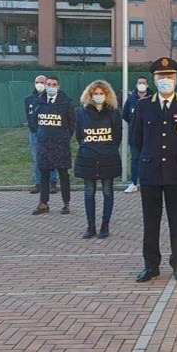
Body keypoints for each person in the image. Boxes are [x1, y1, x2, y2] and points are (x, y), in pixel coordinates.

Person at [131, 57, 177, 283]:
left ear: (176, 78)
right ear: (153, 79)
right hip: (150, 172)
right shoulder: (143, 106)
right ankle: (151, 265)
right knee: (150, 223)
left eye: (169, 76)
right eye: (161, 77)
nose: (165, 80)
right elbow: (136, 139)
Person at [74, 80, 122, 239]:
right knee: (89, 192)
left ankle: (105, 225)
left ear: (107, 95)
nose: (98, 96)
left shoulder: (114, 112)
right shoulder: (81, 112)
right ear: (90, 94)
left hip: (108, 157)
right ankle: (91, 226)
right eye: (95, 93)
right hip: (88, 157)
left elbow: (117, 137)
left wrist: (107, 148)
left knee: (108, 191)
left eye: (102, 93)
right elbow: (79, 135)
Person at [31, 76, 75, 216]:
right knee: (44, 174)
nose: (50, 86)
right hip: (44, 144)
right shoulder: (39, 101)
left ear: (58, 86)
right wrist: (41, 135)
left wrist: (64, 137)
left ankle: (66, 204)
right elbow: (34, 121)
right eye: (48, 84)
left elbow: (71, 123)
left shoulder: (66, 102)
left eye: (53, 84)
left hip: (60, 144)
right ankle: (43, 203)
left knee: (63, 174)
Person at [25, 74, 58, 194]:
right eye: (37, 82)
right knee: (36, 159)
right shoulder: (29, 99)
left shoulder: (51, 98)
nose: (39, 84)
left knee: (51, 156)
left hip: (49, 132)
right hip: (34, 133)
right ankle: (38, 183)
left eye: (42, 82)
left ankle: (53, 182)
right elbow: (28, 115)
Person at [122, 75, 152, 193]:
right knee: (135, 159)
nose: (142, 85)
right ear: (136, 84)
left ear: (147, 85)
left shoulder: (152, 98)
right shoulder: (131, 99)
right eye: (139, 82)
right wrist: (135, 125)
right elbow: (125, 115)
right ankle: (134, 182)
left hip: (149, 136)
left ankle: (148, 182)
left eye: (144, 82)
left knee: (149, 159)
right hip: (134, 136)